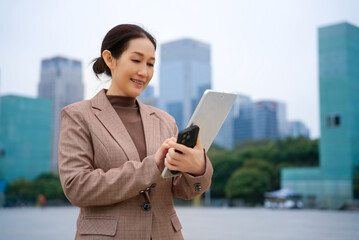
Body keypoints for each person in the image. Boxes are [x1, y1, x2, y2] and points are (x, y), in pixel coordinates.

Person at [58, 24, 213, 240]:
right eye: (136, 60)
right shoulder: (78, 115)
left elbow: (184, 190)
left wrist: (197, 169)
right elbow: (76, 187)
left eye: (150, 64)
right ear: (110, 59)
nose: (144, 72)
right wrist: (153, 166)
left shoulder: (165, 120)